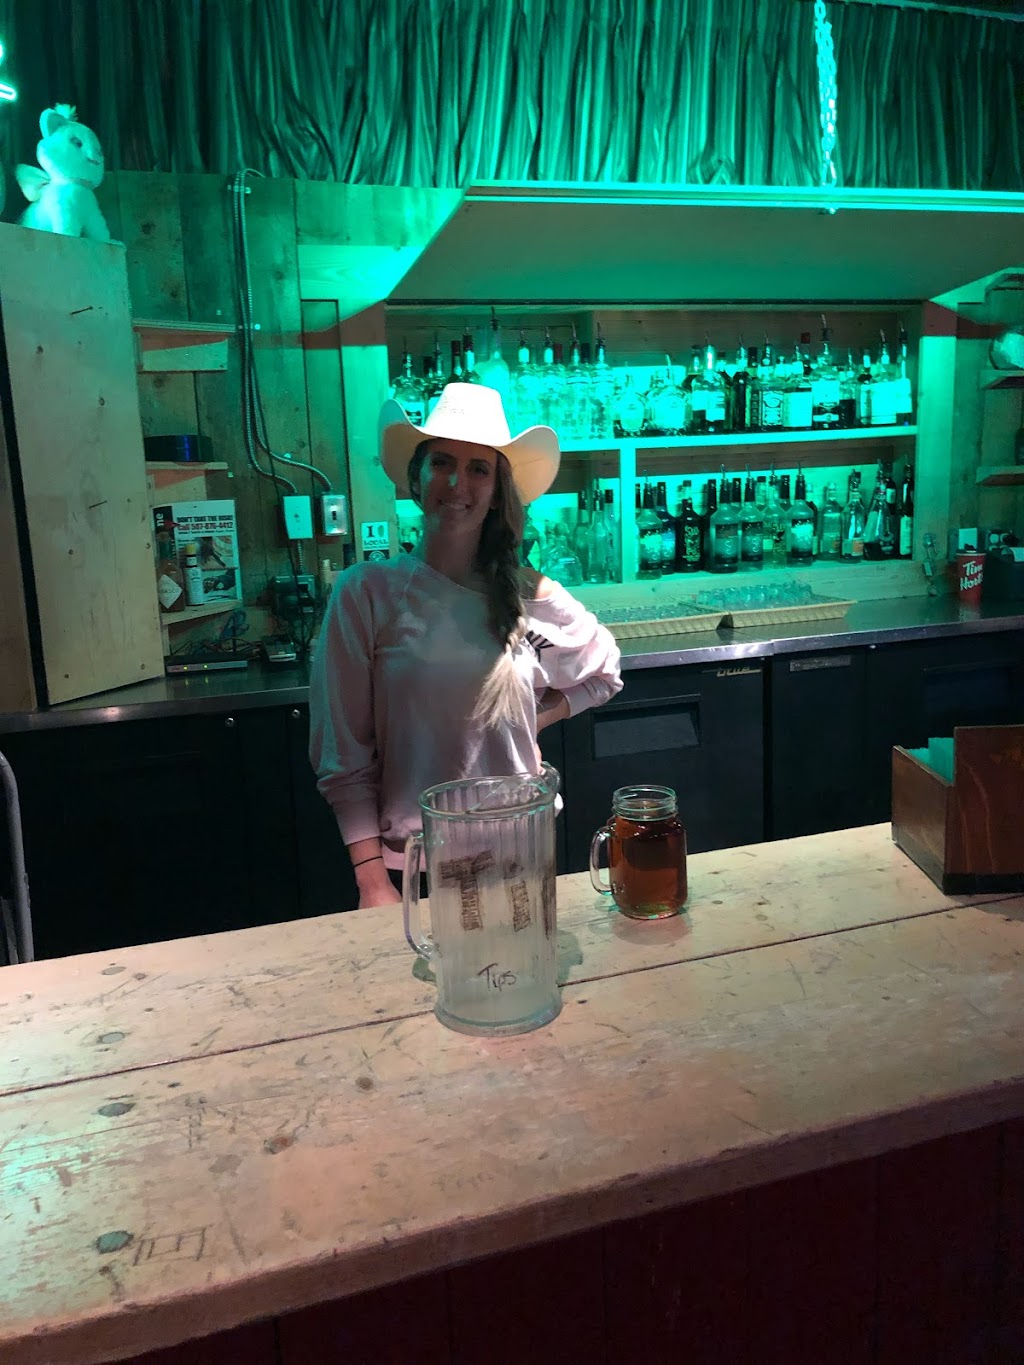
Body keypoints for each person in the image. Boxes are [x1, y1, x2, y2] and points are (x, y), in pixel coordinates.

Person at [308, 382, 623, 909]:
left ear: (497, 491)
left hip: (522, 852)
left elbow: (605, 673)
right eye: (442, 463)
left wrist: (533, 717)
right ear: (416, 478)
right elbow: (343, 754)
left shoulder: (529, 594)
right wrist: (370, 881)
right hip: (416, 865)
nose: (457, 482)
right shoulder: (367, 592)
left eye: (479, 469)